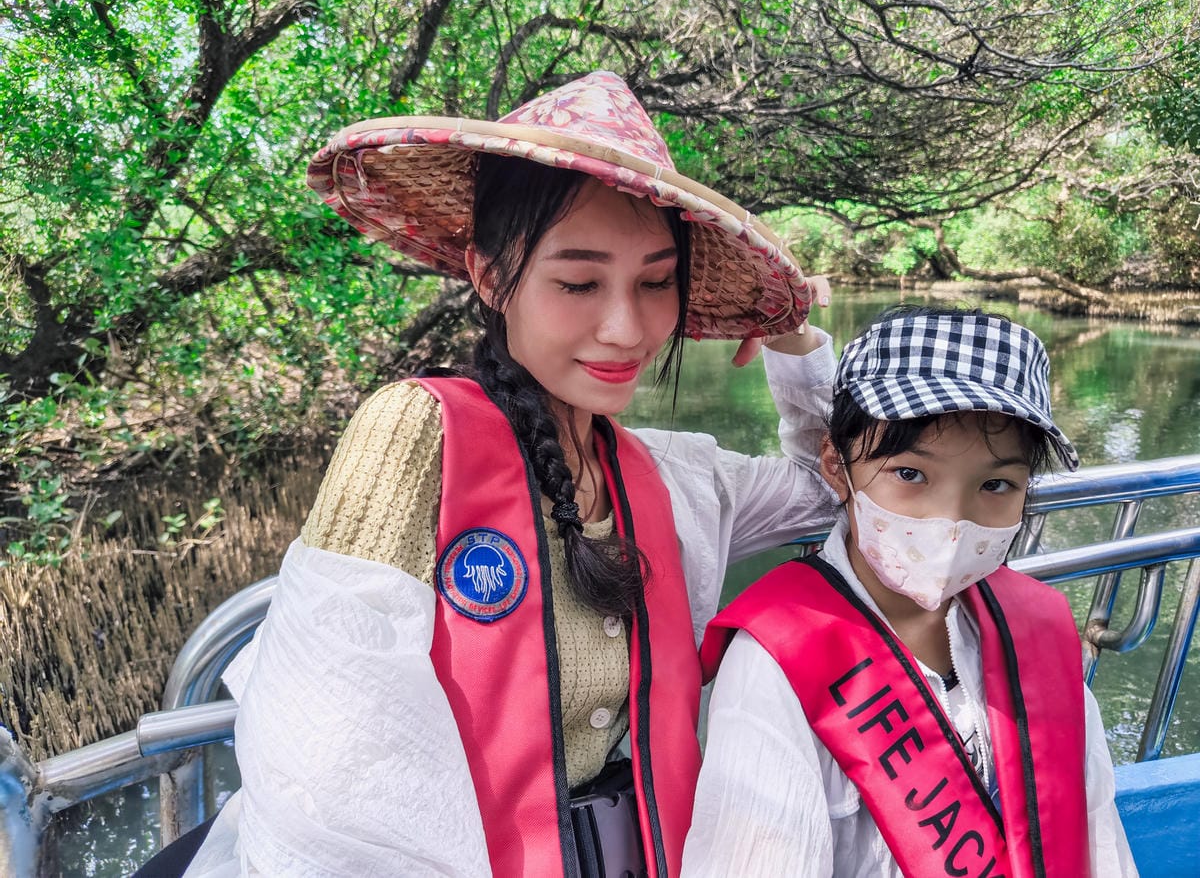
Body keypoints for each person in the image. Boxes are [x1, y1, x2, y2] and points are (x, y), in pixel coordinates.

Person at [176, 71, 839, 878]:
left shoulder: (676, 478)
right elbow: (329, 775)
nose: (626, 327)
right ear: (490, 276)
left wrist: (795, 342)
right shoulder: (415, 437)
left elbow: (828, 485)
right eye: (578, 282)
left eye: (656, 282)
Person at [682, 306, 1138, 877]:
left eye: (996, 484)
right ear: (836, 464)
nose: (950, 519)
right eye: (910, 474)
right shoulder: (776, 660)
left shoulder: (1037, 630)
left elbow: (1097, 833)